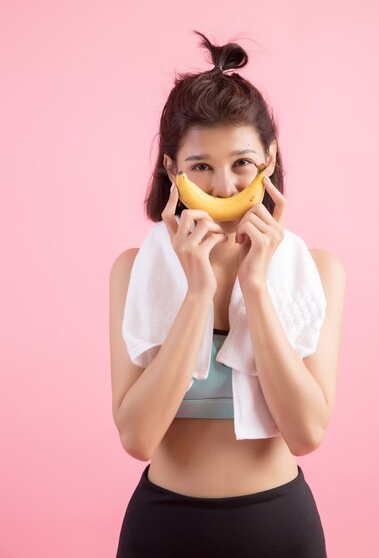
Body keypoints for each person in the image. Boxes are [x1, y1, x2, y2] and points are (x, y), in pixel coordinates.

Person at [110, 30, 346, 557]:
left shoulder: (318, 270)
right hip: (161, 529)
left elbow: (307, 432)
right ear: (172, 169)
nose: (224, 188)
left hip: (280, 527)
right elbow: (138, 438)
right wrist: (196, 293)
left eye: (242, 163)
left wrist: (257, 288)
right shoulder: (133, 270)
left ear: (269, 157)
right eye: (201, 167)